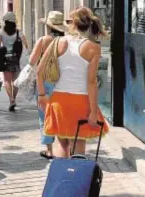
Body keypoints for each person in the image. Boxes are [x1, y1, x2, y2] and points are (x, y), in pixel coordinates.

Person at [37, 6, 109, 158]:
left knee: (62, 145)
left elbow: (39, 71)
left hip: (59, 101)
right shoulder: (93, 48)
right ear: (89, 24)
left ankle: (63, 178)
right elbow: (91, 82)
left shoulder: (57, 42)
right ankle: (76, 179)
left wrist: (42, 95)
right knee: (79, 145)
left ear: (71, 24)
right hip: (81, 102)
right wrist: (94, 110)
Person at [30, 11, 67, 159]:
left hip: (45, 82)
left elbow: (32, 61)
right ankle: (64, 149)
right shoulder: (67, 41)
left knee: (44, 116)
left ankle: (50, 151)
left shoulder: (44, 40)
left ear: (48, 27)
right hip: (63, 82)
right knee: (61, 115)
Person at [0, 12, 28, 111]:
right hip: (16, 58)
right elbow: (26, 45)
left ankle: (11, 100)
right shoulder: (18, 32)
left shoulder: (1, 32)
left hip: (5, 58)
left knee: (7, 80)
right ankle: (14, 97)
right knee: (15, 81)